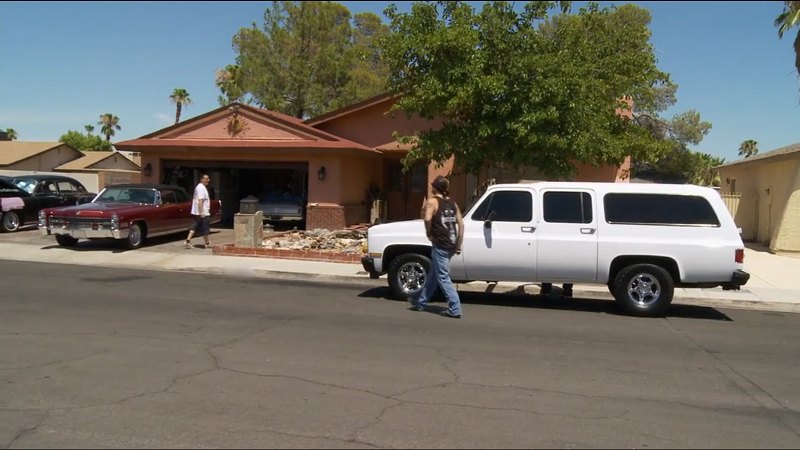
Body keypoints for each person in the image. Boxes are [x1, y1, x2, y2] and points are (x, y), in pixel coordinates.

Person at [412, 175, 465, 319]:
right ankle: (421, 302)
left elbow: (427, 218)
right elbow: (461, 224)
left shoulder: (433, 202)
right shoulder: (453, 203)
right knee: (434, 274)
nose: (431, 187)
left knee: (442, 277)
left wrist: (429, 233)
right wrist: (458, 244)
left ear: (436, 188)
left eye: (433, 185)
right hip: (451, 244)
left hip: (440, 244)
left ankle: (455, 308)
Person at [184, 174, 211, 249]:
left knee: (195, 226)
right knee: (205, 227)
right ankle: (207, 243)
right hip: (202, 212)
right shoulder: (201, 188)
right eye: (206, 179)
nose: (208, 180)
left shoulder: (201, 187)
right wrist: (201, 212)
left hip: (197, 212)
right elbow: (200, 200)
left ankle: (188, 241)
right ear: (202, 179)